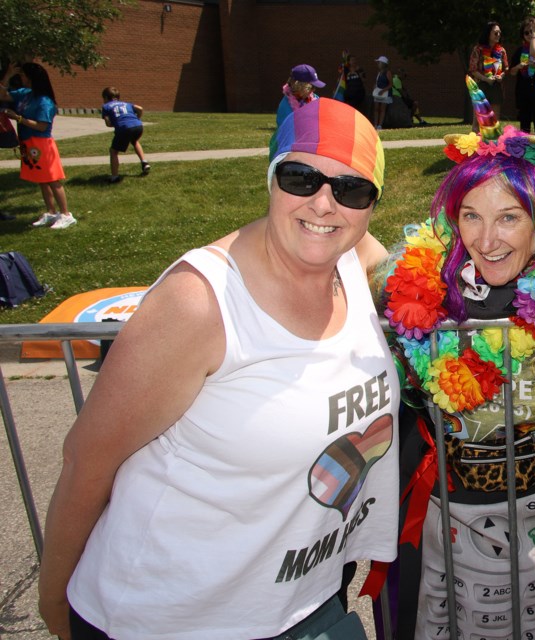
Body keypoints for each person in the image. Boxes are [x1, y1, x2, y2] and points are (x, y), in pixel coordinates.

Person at [37, 98, 400, 639]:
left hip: (308, 599)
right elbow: (85, 462)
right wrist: (54, 605)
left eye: (352, 189)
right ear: (270, 176)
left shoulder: (352, 259)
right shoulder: (201, 302)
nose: (325, 204)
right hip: (171, 618)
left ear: (370, 205)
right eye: (300, 177)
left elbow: (431, 262)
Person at [367, 84, 535, 640]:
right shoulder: (424, 281)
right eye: (470, 216)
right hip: (443, 509)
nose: (487, 239)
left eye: (509, 218)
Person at [0, 62, 76, 229]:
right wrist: (8, 75)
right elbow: (2, 95)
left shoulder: (45, 101)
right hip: (28, 142)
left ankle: (66, 214)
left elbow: (42, 126)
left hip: (41, 143)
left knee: (52, 179)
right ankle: (51, 212)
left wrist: (18, 118)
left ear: (31, 77)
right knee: (41, 180)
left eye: (23, 75)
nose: (21, 78)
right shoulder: (25, 94)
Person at [268, 63, 324, 158]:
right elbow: (288, 135)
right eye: (311, 86)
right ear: (298, 85)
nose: (314, 89)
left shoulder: (313, 98)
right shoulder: (286, 108)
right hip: (287, 150)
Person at [100, 86, 150, 184]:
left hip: (124, 128)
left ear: (106, 97)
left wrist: (116, 123)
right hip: (138, 126)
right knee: (134, 141)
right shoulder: (126, 104)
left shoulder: (105, 107)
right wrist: (137, 118)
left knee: (113, 151)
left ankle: (114, 177)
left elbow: (108, 123)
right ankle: (144, 162)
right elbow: (140, 108)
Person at [468, 22, 509, 127]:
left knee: (494, 121)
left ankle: (493, 142)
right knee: (478, 121)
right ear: (488, 34)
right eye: (495, 33)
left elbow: (506, 68)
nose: (498, 35)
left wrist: (501, 76)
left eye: (500, 33)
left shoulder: (502, 51)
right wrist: (486, 79)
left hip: (496, 85)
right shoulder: (478, 49)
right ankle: (476, 140)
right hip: (481, 85)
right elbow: (473, 70)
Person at [509, 16, 535, 134]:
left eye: (531, 31)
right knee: (525, 124)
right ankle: (524, 148)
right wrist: (519, 66)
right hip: (524, 91)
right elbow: (512, 72)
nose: (529, 34)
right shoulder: (519, 51)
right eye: (526, 32)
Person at [372, 55, 393, 131]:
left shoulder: (388, 72)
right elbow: (377, 82)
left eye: (379, 62)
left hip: (385, 93)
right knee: (376, 109)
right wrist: (375, 86)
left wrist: (383, 90)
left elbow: (391, 84)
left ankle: (380, 125)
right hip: (378, 93)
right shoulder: (379, 72)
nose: (378, 64)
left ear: (383, 64)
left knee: (382, 109)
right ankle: (375, 124)